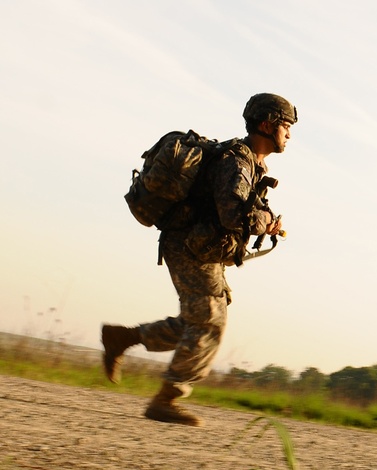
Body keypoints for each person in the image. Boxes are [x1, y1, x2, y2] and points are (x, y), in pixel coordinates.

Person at [101, 93, 297, 426]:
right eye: (286, 126)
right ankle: (166, 399)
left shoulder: (250, 163)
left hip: (200, 248)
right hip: (191, 247)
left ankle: (124, 338)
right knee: (208, 323)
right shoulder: (238, 162)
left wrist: (265, 218)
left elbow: (235, 208)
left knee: (197, 321)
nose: (290, 134)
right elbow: (233, 214)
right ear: (266, 124)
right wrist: (265, 222)